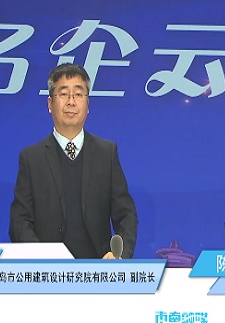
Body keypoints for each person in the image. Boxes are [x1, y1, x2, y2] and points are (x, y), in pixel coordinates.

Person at [9, 63, 138, 258]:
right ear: (50, 104)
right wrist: (41, 257)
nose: (71, 101)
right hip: (48, 271)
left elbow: (126, 215)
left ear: (87, 104)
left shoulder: (106, 154)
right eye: (63, 94)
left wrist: (119, 255)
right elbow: (19, 221)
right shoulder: (31, 158)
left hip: (98, 269)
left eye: (78, 94)